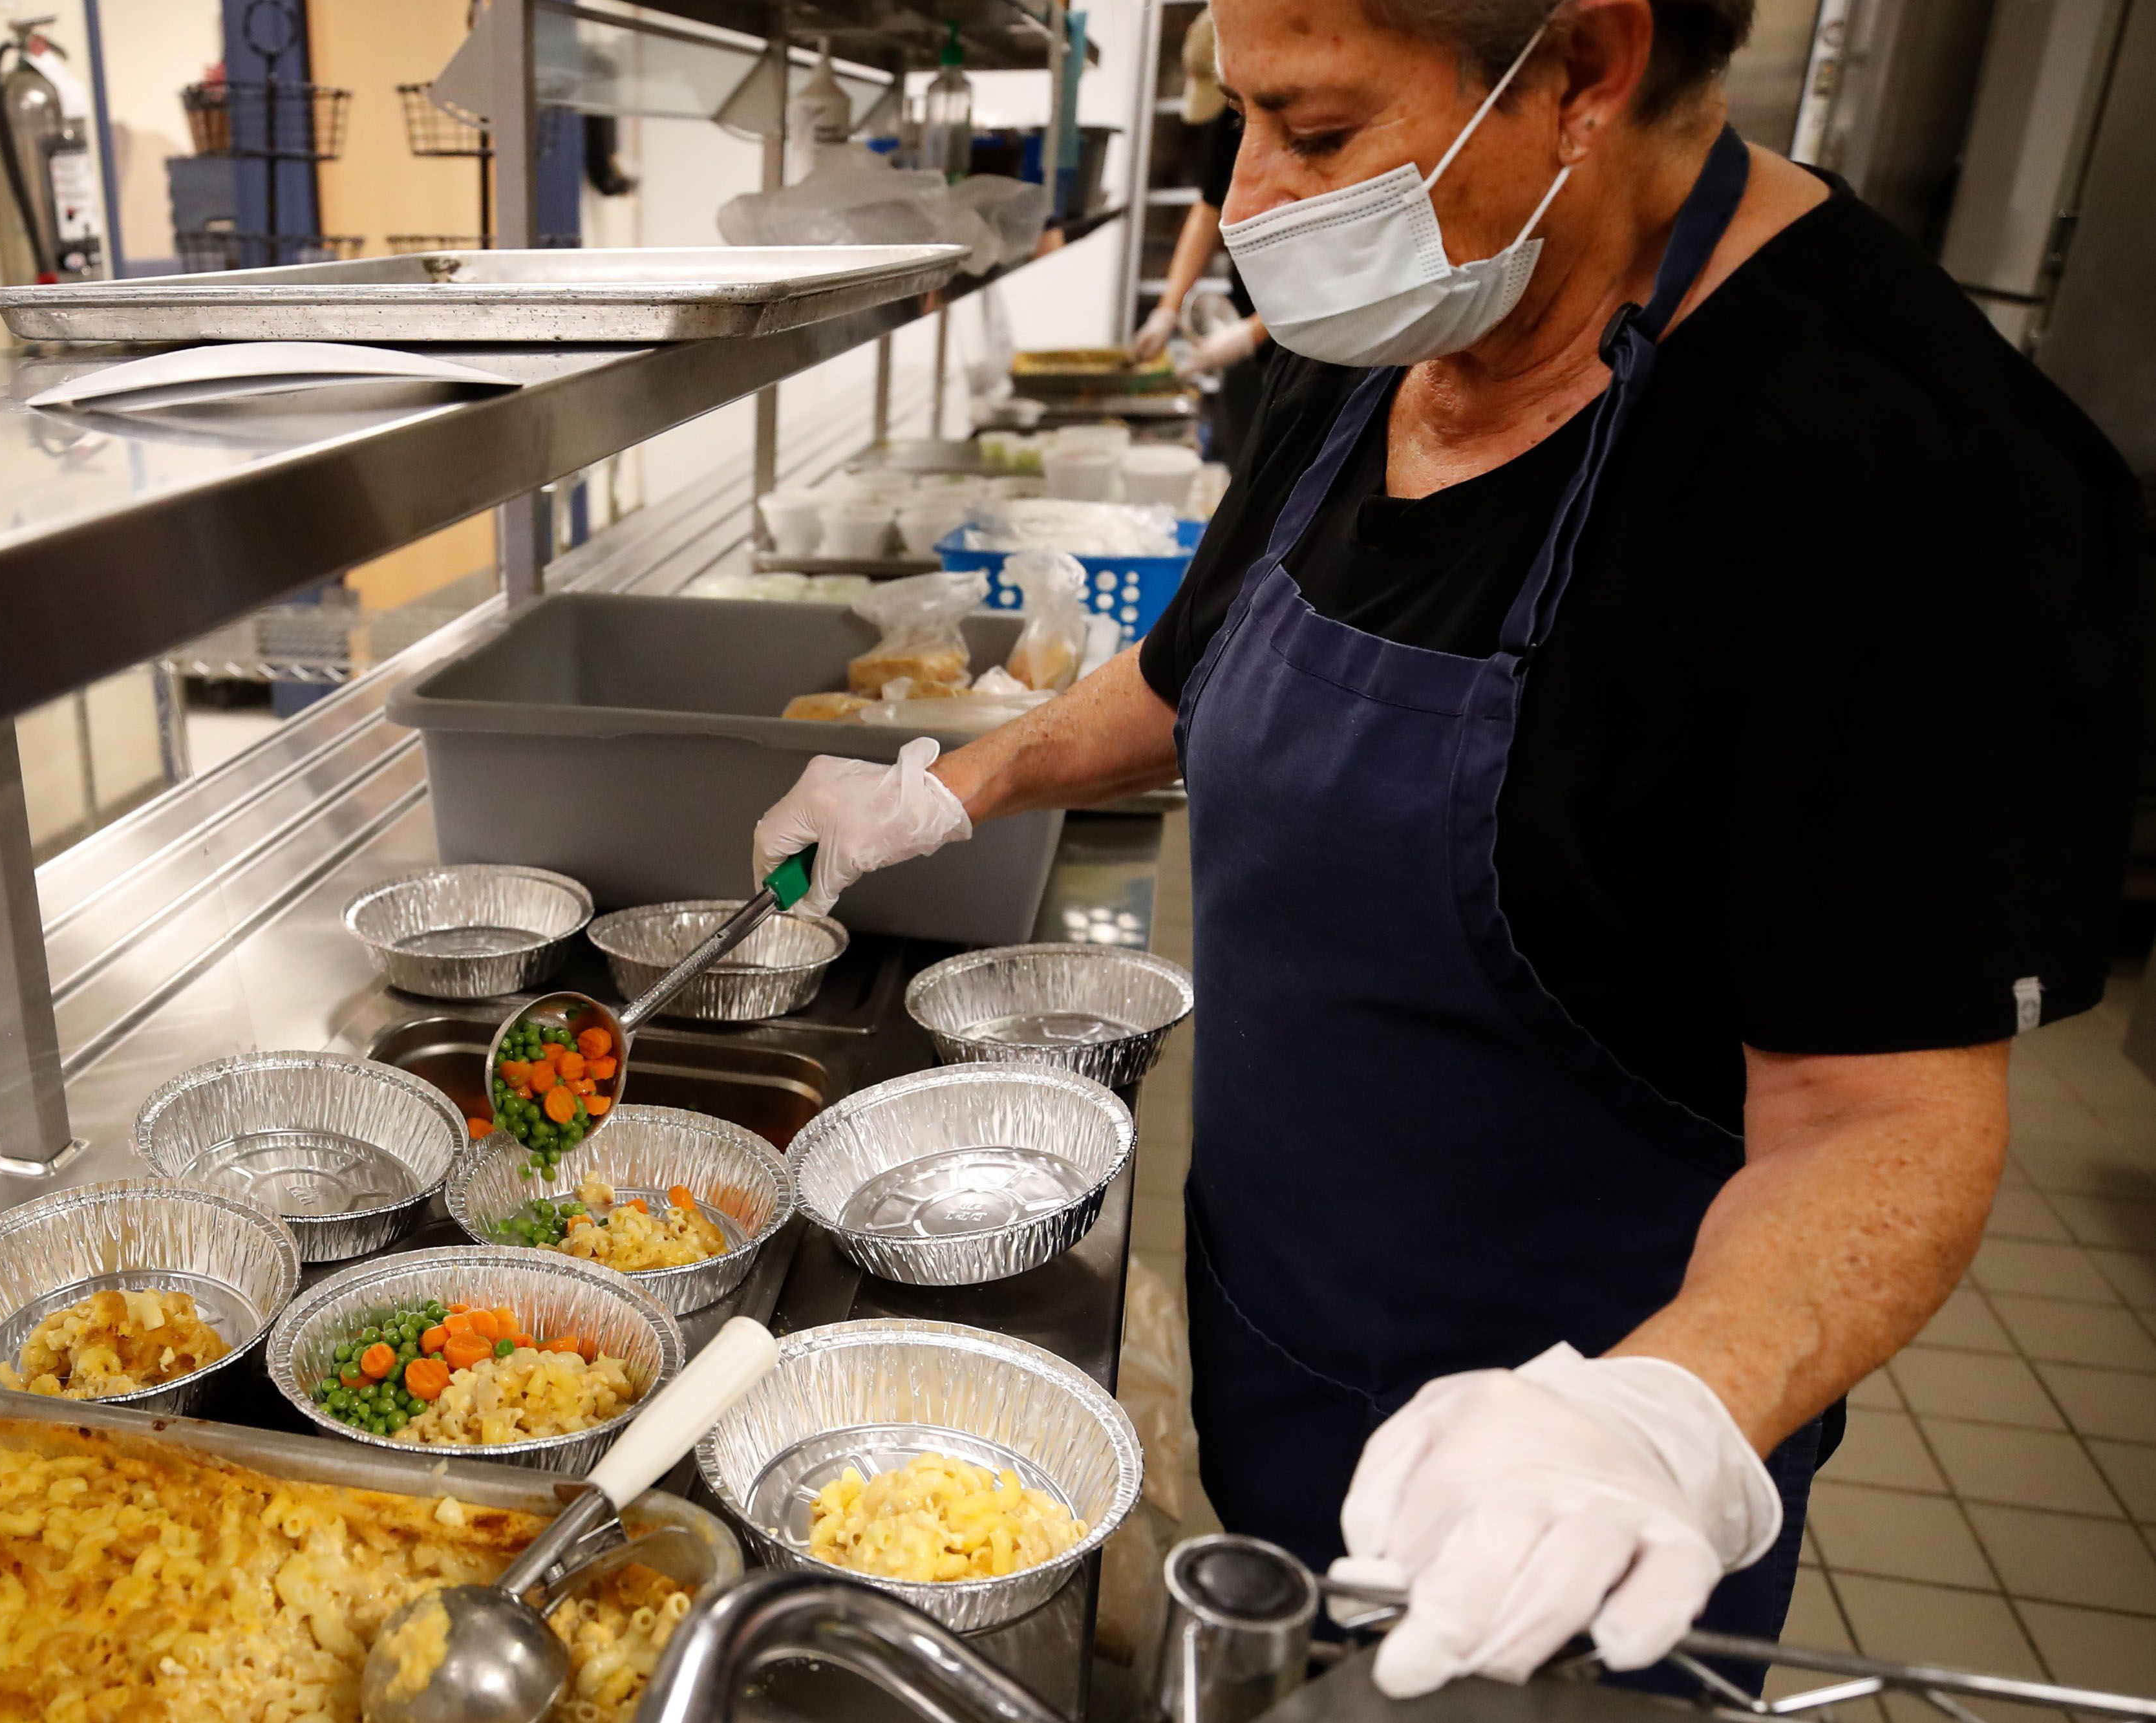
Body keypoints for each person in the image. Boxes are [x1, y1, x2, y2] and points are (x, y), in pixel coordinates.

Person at [754, 0, 2141, 1696]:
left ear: (1583, 69)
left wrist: (1661, 1411)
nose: (1254, 199)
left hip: (1554, 1502)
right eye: (1235, 125)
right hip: (1287, 1348)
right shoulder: (1394, 325)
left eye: (1319, 135)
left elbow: (1889, 1131)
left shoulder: (1894, 479)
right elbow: (1198, 665)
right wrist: (940, 791)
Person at [1129, 12, 1274, 464]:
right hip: (1254, 327)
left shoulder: (1304, 128)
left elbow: (1337, 267)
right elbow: (1209, 209)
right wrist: (1166, 309)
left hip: (1310, 345)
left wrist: (1249, 335)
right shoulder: (1231, 124)